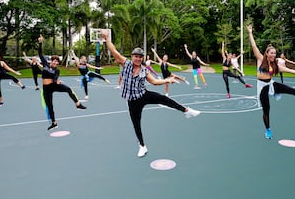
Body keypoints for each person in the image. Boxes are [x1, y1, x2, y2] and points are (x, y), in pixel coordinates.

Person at [99, 29, 200, 158]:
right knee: (136, 124)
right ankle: (142, 146)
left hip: (143, 95)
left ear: (142, 59)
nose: (138, 58)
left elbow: (154, 82)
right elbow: (113, 50)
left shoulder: (144, 70)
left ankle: (186, 111)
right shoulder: (126, 63)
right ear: (132, 57)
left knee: (163, 99)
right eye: (136, 56)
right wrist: (107, 38)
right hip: (132, 101)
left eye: (140, 57)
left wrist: (167, 80)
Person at [38, 35, 86, 130]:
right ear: (51, 61)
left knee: (68, 89)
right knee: (50, 106)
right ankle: (54, 123)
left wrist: (57, 82)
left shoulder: (57, 70)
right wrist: (40, 43)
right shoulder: (45, 65)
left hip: (53, 85)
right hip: (46, 89)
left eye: (57, 62)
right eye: (54, 61)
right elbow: (40, 54)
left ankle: (77, 104)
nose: (55, 63)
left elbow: (55, 78)